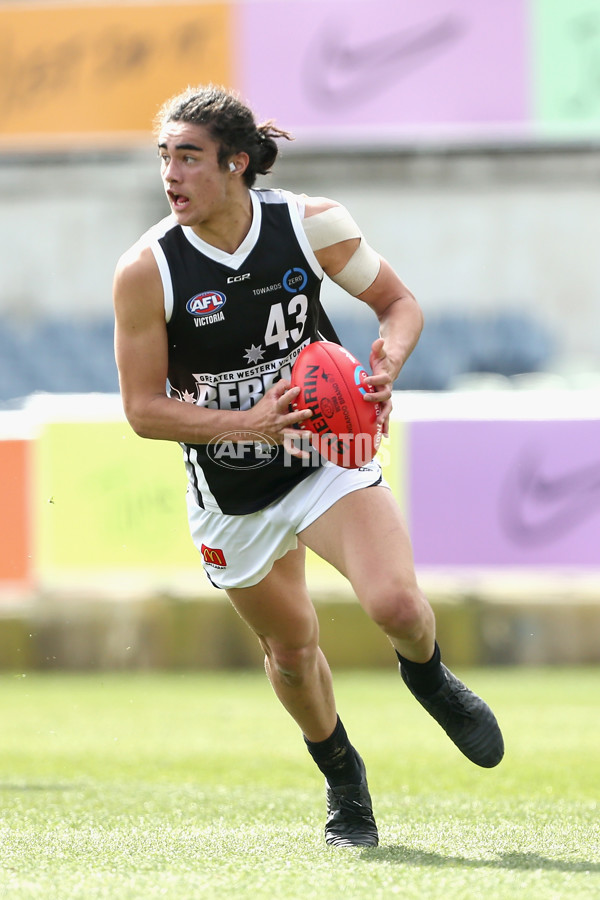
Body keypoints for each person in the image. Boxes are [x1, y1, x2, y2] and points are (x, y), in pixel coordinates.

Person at [113, 84, 504, 849]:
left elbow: (399, 304)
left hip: (322, 449)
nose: (171, 174)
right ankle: (345, 784)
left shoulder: (310, 225)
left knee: (396, 606)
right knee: (291, 652)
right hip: (231, 485)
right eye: (165, 158)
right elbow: (142, 410)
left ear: (237, 163)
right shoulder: (146, 270)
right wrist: (247, 423)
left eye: (188, 158)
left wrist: (390, 354)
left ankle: (428, 678)